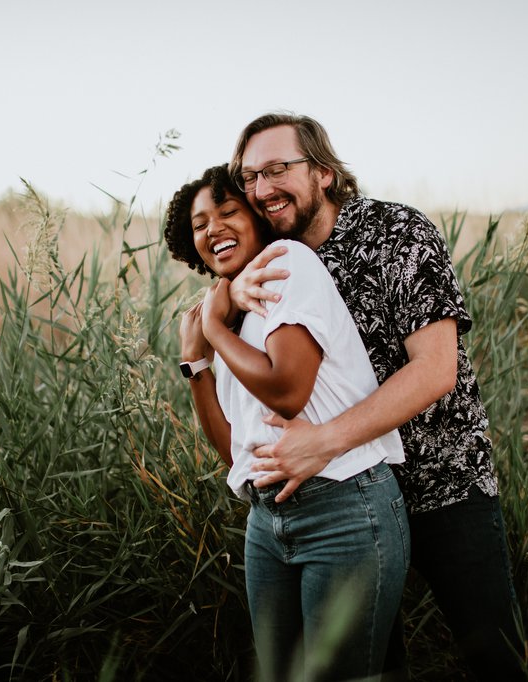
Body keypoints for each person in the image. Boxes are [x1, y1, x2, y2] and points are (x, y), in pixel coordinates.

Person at [225, 113, 525, 680]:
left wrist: (325, 442)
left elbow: (436, 370)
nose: (262, 189)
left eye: (277, 169)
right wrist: (228, 290)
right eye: (249, 177)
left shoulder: (396, 233)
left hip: (442, 484)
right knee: (370, 665)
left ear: (324, 173)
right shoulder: (271, 260)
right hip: (346, 502)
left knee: (494, 655)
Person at [164, 164, 410, 681]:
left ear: (257, 216)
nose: (213, 229)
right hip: (266, 523)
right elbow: (239, 453)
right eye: (200, 223)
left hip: (344, 507)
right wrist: (197, 365)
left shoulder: (288, 262)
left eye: (228, 211)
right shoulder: (235, 310)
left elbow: (288, 391)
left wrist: (211, 326)